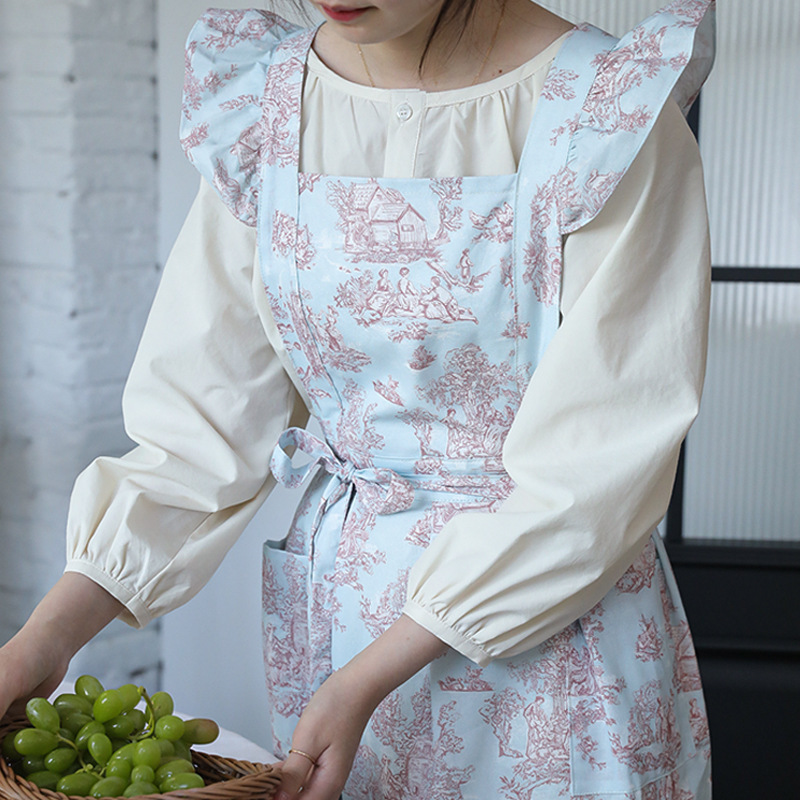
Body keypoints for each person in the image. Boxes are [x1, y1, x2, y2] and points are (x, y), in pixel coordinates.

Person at [0, 0, 716, 797]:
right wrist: (43, 640)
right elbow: (200, 431)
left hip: (558, 639)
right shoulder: (269, 108)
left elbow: (599, 471)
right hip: (343, 623)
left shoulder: (606, 113)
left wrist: (367, 679)